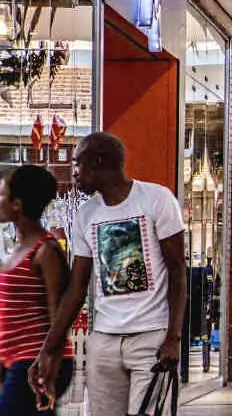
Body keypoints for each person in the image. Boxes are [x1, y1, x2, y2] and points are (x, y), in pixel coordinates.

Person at [29, 133, 188, 416]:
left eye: (77, 164)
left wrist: (173, 338)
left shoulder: (156, 199)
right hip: (104, 340)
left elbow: (178, 272)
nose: (74, 172)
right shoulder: (86, 214)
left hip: (151, 337)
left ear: (98, 161)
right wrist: (48, 349)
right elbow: (76, 288)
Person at [0, 166, 75, 415]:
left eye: (1, 195)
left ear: (17, 204)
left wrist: (48, 364)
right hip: (16, 361)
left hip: (36, 362)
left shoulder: (46, 251)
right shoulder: (18, 249)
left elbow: (59, 316)